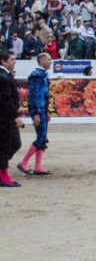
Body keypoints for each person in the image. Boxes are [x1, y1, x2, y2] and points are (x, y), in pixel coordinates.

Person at [17, 53, 53, 176]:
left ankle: (38, 167)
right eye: (49, 59)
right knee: (41, 137)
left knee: (42, 138)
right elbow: (34, 96)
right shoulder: (36, 75)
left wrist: (46, 111)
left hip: (42, 109)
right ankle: (24, 162)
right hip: (38, 110)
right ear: (42, 61)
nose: (51, 61)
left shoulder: (40, 74)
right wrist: (37, 113)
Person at [0, 51, 24, 187]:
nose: (14, 62)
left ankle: (3, 173)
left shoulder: (5, 76)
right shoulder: (3, 77)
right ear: (3, 62)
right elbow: (5, 100)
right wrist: (15, 116)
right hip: (4, 118)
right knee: (9, 144)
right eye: (12, 59)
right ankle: (3, 175)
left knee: (9, 145)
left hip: (5, 116)